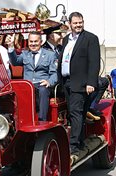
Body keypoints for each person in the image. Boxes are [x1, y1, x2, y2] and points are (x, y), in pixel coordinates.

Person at [58, 12, 100, 158]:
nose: (78, 25)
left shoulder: (91, 38)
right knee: (75, 114)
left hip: (81, 83)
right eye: (75, 23)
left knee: (76, 113)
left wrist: (91, 83)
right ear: (70, 23)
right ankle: (80, 141)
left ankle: (73, 147)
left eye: (80, 22)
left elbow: (94, 63)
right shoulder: (65, 40)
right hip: (66, 82)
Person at [6, 31, 58, 121]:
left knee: (43, 90)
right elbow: (15, 62)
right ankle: (20, 120)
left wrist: (49, 82)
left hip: (42, 84)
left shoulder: (50, 55)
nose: (33, 44)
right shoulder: (25, 54)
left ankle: (42, 120)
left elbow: (54, 73)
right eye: (31, 41)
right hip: (28, 85)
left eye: (35, 41)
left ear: (41, 42)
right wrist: (11, 47)